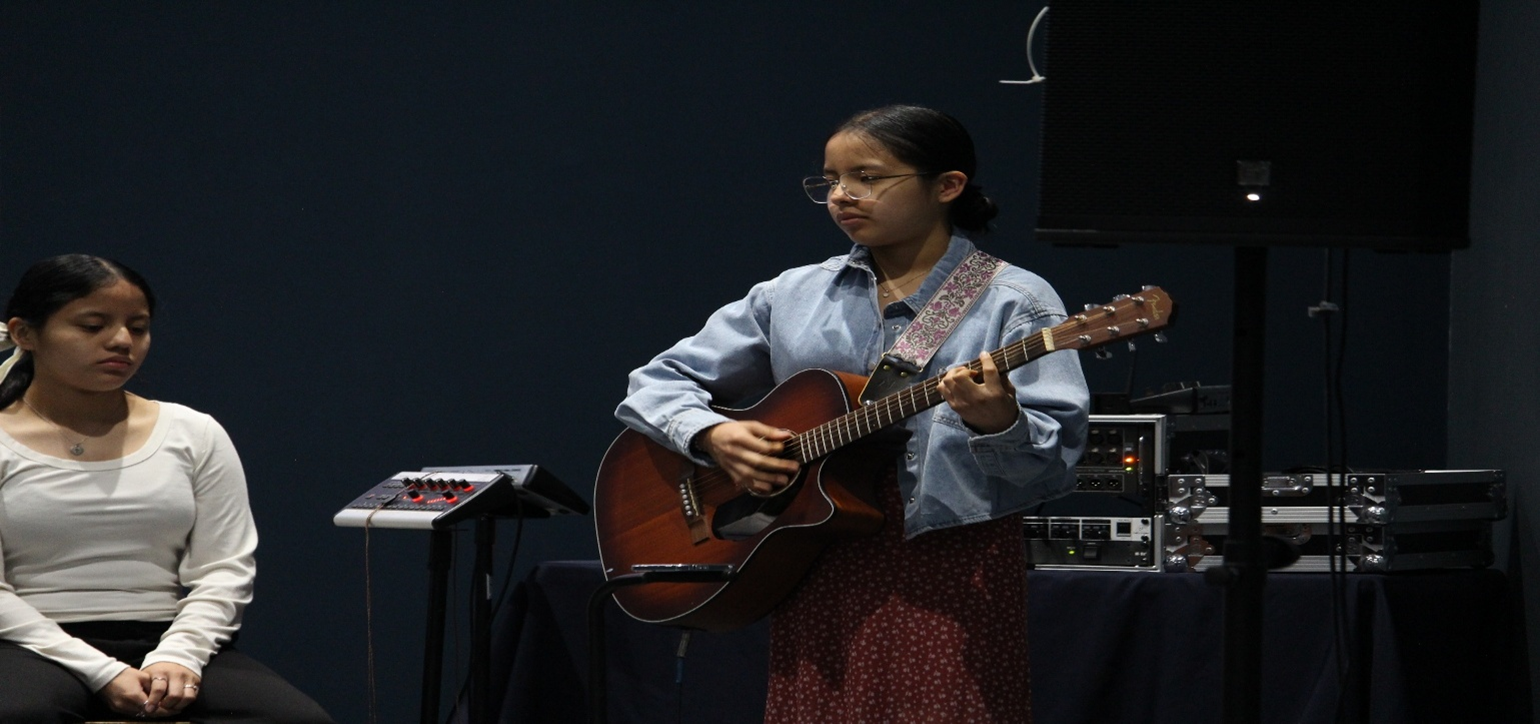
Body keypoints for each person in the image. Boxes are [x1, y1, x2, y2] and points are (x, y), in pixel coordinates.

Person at [614, 105, 1089, 722]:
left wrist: (998, 421)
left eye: (867, 177)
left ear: (947, 186)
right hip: (814, 550)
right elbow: (655, 382)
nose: (842, 195)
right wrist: (713, 434)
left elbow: (1049, 469)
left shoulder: (1015, 301)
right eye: (832, 180)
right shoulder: (792, 295)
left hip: (948, 557)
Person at [0, 254, 333, 723]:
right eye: (92, 325)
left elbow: (225, 568)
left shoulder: (193, 433)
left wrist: (179, 655)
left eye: (138, 327)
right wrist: (101, 671)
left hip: (166, 639)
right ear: (24, 333)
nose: (121, 341)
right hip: (28, 645)